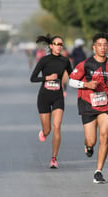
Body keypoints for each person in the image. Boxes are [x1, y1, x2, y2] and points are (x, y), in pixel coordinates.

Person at [69, 32, 108, 183]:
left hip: (106, 103)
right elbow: (71, 81)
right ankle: (88, 146)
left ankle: (98, 171)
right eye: (99, 45)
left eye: (105, 45)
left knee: (105, 134)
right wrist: (85, 84)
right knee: (91, 140)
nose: (103, 48)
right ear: (94, 47)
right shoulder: (85, 64)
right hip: (87, 104)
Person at [30, 34, 73, 169]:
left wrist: (87, 82)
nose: (59, 46)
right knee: (48, 130)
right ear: (51, 46)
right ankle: (43, 132)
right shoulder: (44, 60)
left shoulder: (65, 61)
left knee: (57, 126)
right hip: (44, 97)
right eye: (56, 44)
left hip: (58, 97)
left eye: (61, 44)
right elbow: (33, 78)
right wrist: (47, 78)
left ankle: (54, 158)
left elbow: (73, 76)